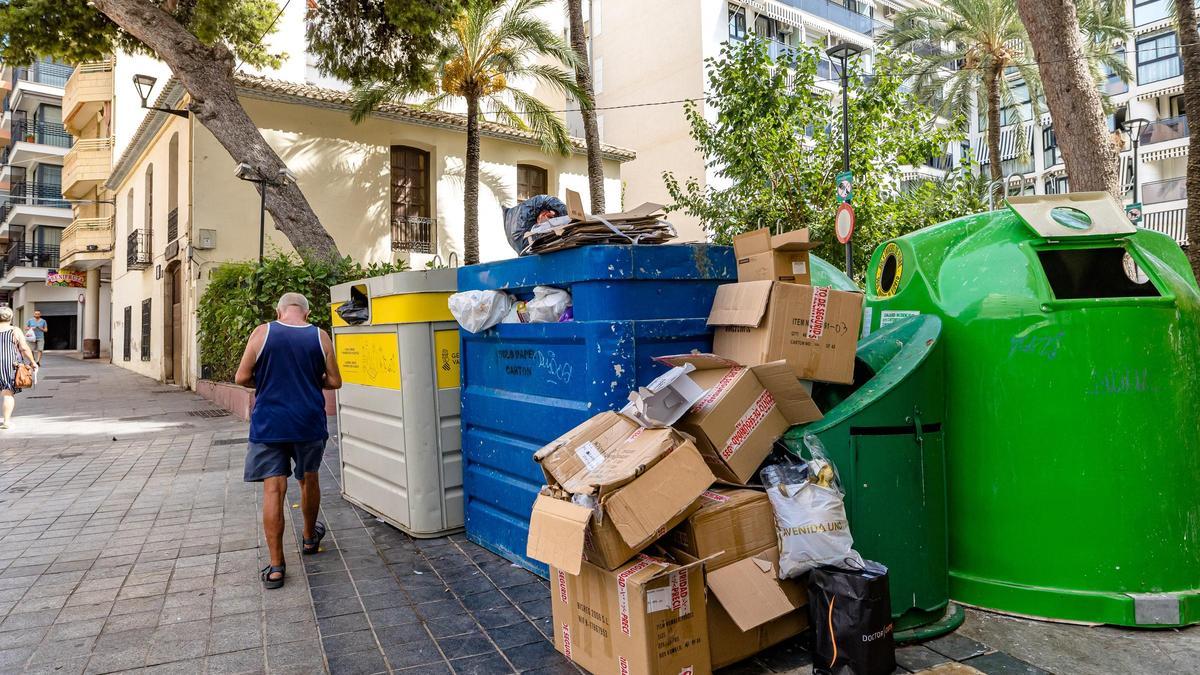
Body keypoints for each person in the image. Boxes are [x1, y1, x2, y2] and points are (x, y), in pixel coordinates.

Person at [235, 293, 342, 589]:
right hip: (308, 421)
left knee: (274, 489)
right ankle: (309, 537)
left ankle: (276, 566)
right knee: (309, 479)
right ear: (307, 313)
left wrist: (266, 381)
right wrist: (312, 380)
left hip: (270, 423)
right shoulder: (320, 336)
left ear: (278, 311)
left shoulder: (262, 333)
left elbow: (241, 377)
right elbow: (335, 381)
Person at [0, 306, 38, 431]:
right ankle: (6, 421)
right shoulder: (15, 330)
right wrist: (33, 362)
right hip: (8, 363)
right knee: (7, 392)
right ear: (11, 317)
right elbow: (24, 348)